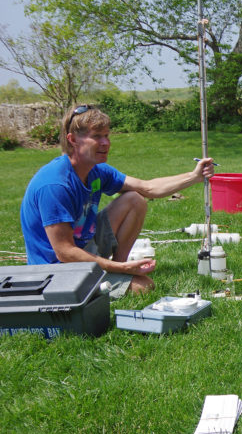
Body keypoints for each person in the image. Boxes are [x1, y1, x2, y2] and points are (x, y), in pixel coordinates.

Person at [19, 104, 215, 298]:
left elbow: (147, 188)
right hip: (58, 271)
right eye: (96, 136)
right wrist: (120, 267)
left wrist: (194, 176)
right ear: (73, 140)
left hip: (83, 248)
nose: (105, 143)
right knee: (143, 287)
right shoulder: (55, 185)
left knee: (135, 200)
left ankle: (120, 270)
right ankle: (120, 269)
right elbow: (65, 252)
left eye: (107, 135)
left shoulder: (96, 171)